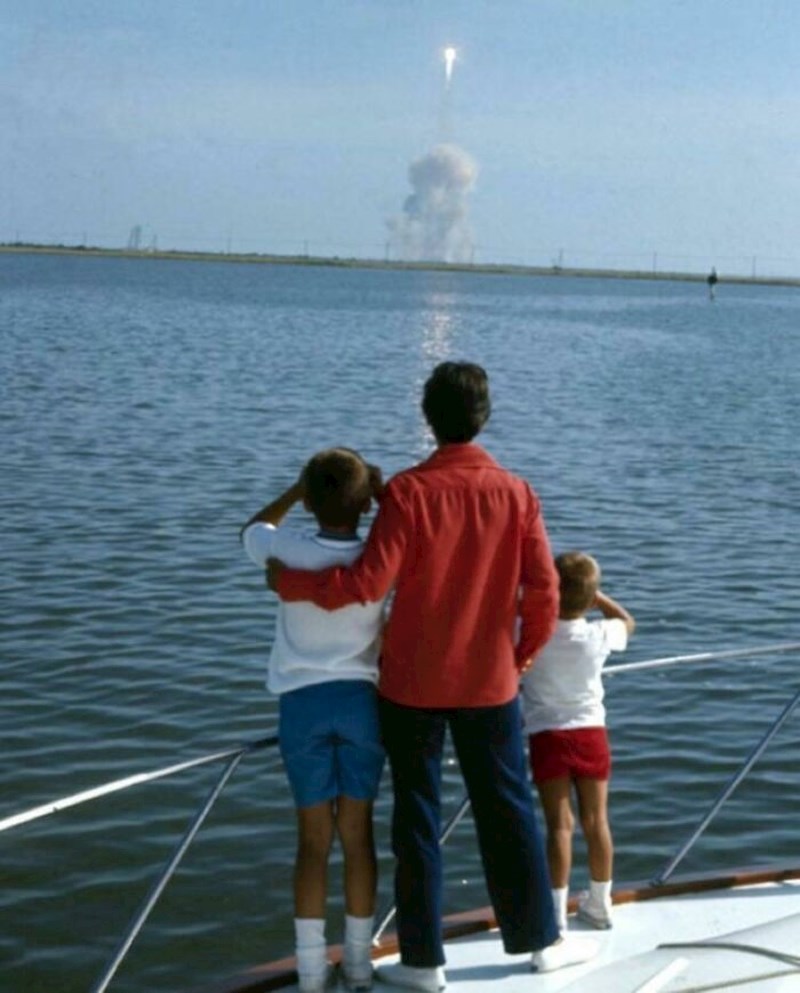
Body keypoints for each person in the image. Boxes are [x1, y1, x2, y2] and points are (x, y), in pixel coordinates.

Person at [268, 362, 598, 992]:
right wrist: (521, 658)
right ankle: (539, 943)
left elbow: (366, 585)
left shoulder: (408, 495)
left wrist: (290, 581)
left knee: (416, 819)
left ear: (429, 417)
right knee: (509, 814)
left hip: (411, 686)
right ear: (485, 416)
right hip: (489, 684)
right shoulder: (518, 493)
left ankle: (423, 961)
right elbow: (545, 594)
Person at [241, 448, 388, 993]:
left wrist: (294, 492)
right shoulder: (379, 554)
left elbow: (251, 529)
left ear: (311, 496)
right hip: (361, 705)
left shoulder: (286, 547)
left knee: (312, 843)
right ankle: (356, 964)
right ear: (363, 502)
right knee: (358, 838)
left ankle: (308, 972)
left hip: (301, 706)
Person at [520, 552, 635, 934]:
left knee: (559, 826)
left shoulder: (532, 631)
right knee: (596, 820)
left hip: (547, 735)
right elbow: (627, 623)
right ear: (588, 599)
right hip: (590, 733)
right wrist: (596, 597)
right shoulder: (598, 634)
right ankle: (600, 904)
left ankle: (554, 914)